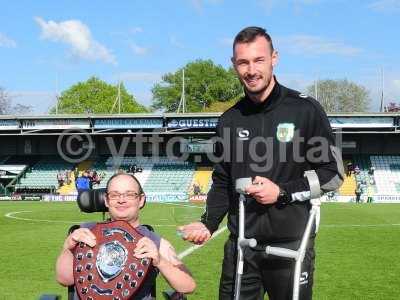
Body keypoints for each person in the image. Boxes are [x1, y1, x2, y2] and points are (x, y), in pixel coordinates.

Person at [179, 26, 344, 300]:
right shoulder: (229, 120)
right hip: (241, 246)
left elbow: (333, 173)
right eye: (243, 62)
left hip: (291, 245)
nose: (251, 70)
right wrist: (208, 223)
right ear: (234, 65)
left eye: (259, 60)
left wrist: (282, 191)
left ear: (274, 58)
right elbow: (222, 181)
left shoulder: (305, 110)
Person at [56, 173, 196, 298]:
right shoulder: (84, 232)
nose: (121, 200)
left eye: (129, 194)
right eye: (114, 195)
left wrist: (160, 261)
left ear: (140, 200)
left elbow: (188, 286)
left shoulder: (155, 242)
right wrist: (68, 247)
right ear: (106, 200)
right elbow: (64, 279)